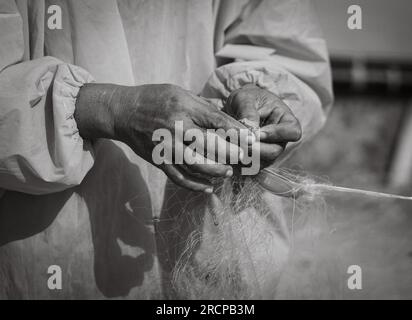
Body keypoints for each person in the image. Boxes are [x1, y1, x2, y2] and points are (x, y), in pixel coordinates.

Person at [0, 0, 333, 299]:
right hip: (51, 253)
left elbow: (284, 43)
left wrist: (259, 91)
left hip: (220, 250)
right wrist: (110, 108)